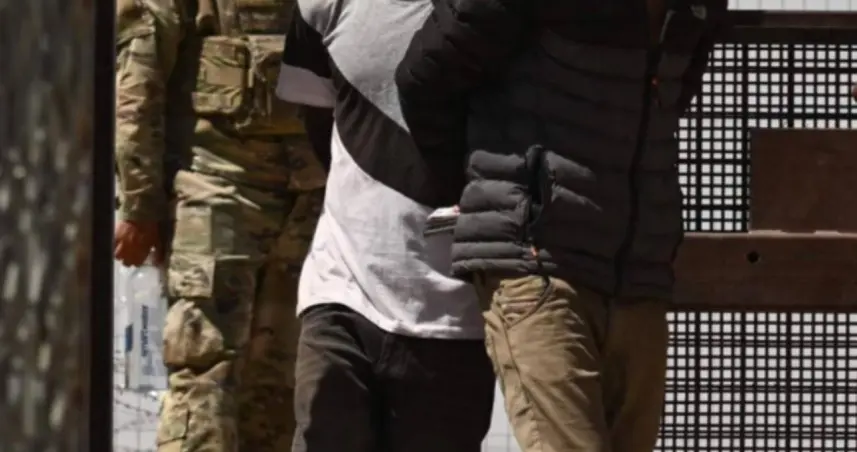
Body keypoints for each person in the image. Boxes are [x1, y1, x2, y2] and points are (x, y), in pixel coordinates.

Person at [395, 1, 728, 451]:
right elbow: (425, 78)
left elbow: (671, 97)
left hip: (639, 275)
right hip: (537, 264)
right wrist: (489, 191)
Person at [275, 1, 495, 451]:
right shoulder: (322, 7)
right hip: (341, 294)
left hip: (459, 319)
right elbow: (318, 119)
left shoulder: (513, 15)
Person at [113, 0, 326, 450]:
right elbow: (139, 76)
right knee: (205, 371)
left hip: (311, 196)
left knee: (279, 381)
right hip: (215, 190)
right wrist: (140, 203)